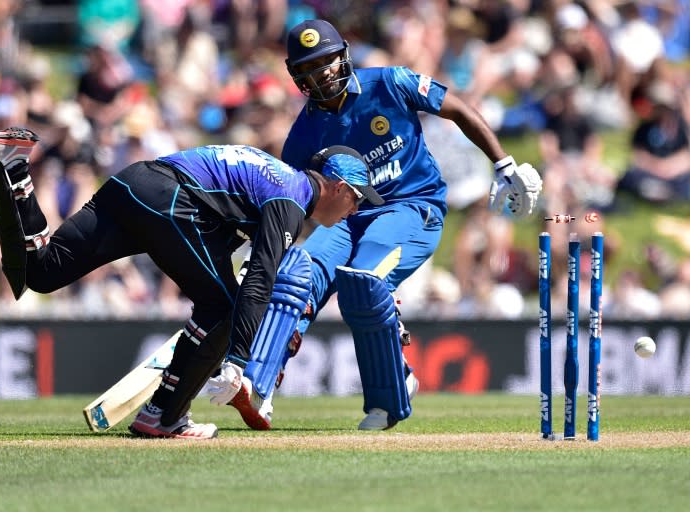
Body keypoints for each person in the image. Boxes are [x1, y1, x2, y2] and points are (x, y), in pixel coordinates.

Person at [0, 123, 383, 439]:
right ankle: (164, 415)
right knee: (224, 308)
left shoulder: (280, 181)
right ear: (340, 188)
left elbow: (226, 230)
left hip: (133, 184)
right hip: (169, 199)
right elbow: (260, 282)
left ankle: (14, 164)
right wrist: (236, 360)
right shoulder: (291, 200)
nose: (352, 212)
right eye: (356, 201)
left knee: (43, 272)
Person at [211, 19, 542, 431]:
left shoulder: (390, 82)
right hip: (348, 218)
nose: (323, 74)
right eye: (310, 69)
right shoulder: (303, 134)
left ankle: (389, 395)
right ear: (297, 78)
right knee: (294, 272)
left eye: (328, 62)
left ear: (344, 55)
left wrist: (504, 163)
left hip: (412, 207)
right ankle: (257, 383)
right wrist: (260, 250)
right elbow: (293, 206)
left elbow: (455, 108)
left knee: (363, 281)